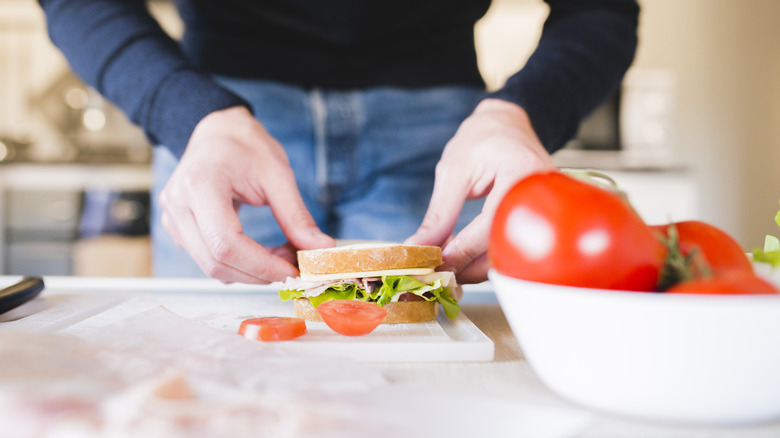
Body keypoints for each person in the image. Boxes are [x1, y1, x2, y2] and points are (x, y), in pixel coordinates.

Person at [38, 0, 639, 285]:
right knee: (221, 394)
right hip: (221, 131)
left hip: (440, 139)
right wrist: (190, 114)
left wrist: (521, 115)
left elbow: (600, 9)